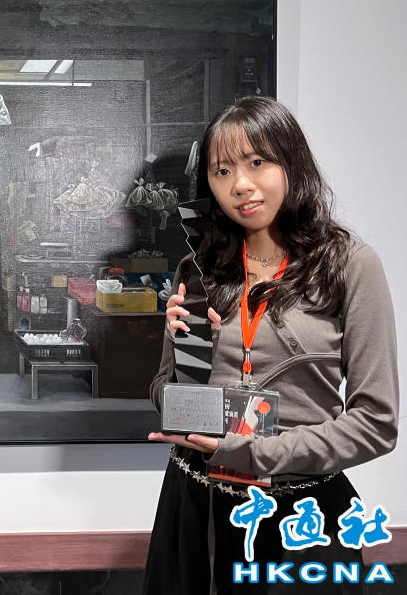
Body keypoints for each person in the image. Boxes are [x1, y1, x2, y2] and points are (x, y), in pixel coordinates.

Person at [142, 96, 399, 594]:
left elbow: (376, 423)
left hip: (301, 516)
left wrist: (252, 453)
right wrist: (185, 358)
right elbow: (164, 396)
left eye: (257, 162)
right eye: (222, 171)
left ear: (291, 162)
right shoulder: (199, 268)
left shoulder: (350, 265)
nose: (240, 184)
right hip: (196, 505)